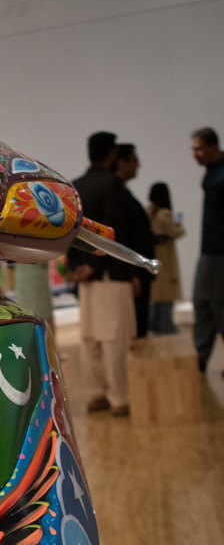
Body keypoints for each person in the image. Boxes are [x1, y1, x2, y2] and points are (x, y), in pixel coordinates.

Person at [67, 131, 137, 417]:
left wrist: (78, 267)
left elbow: (68, 230)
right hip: (108, 273)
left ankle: (97, 393)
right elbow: (112, 231)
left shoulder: (75, 186)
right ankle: (119, 397)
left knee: (91, 337)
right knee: (113, 339)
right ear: (111, 155)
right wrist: (96, 266)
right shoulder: (112, 184)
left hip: (86, 275)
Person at [191, 127, 224, 372]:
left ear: (214, 146)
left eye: (200, 148)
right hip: (209, 250)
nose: (196, 154)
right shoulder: (211, 172)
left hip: (220, 253)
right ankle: (199, 358)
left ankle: (200, 358)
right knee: (202, 302)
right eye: (193, 149)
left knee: (218, 305)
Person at [115, 144, 156, 338]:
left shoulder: (123, 193)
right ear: (121, 162)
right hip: (132, 272)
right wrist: (131, 272)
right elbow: (122, 236)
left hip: (137, 270)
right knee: (134, 331)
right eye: (134, 160)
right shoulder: (117, 195)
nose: (138, 165)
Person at [147, 182, 185, 334]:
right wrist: (179, 223)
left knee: (155, 303)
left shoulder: (147, 212)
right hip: (165, 263)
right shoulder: (165, 214)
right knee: (165, 305)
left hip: (152, 260)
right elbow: (179, 232)